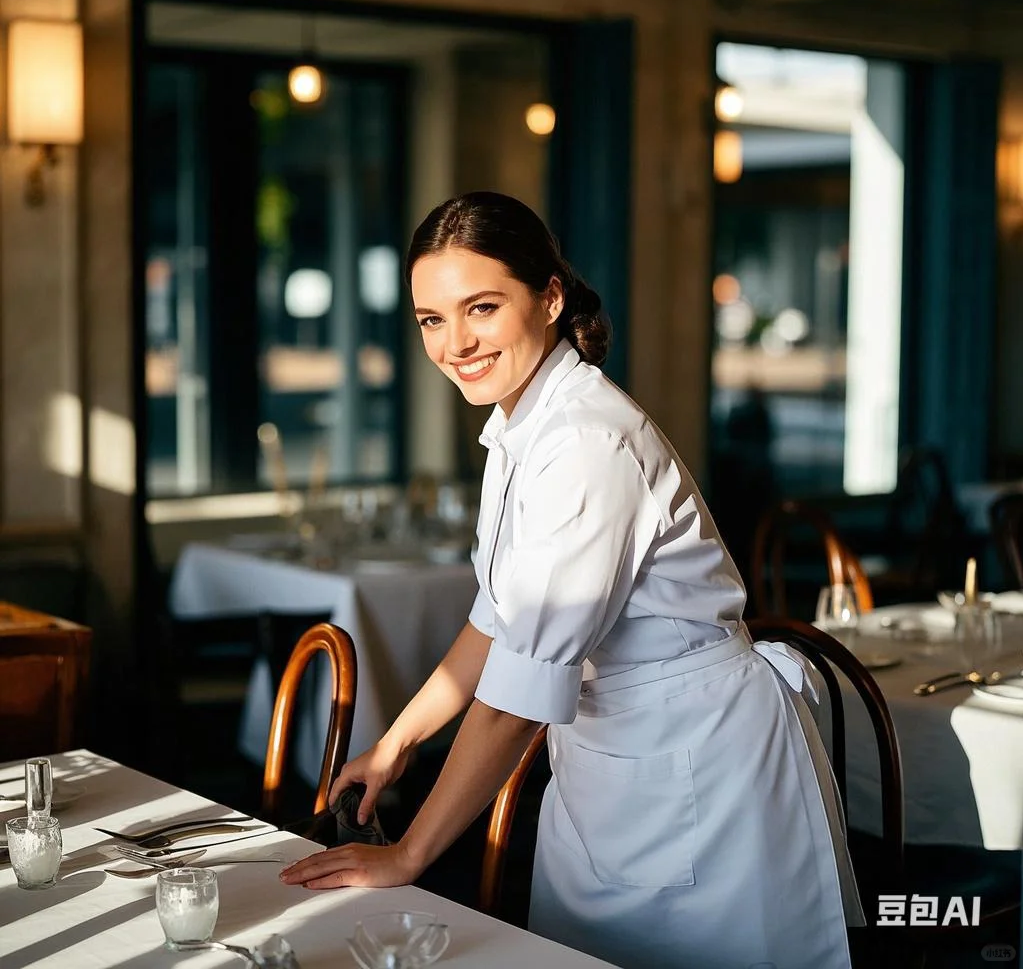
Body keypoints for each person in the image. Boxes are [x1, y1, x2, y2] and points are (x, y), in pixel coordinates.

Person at [280, 191, 864, 969]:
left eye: (481, 308)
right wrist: (396, 744)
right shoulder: (522, 425)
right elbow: (497, 621)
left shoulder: (587, 442)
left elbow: (518, 696)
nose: (455, 343)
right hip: (612, 770)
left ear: (549, 297)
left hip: (700, 768)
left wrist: (410, 854)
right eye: (431, 319)